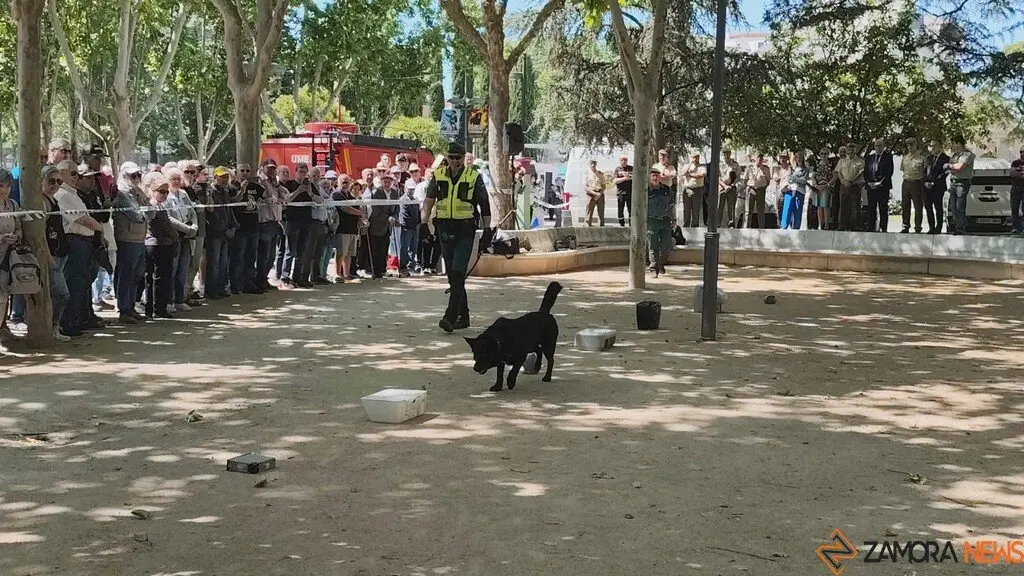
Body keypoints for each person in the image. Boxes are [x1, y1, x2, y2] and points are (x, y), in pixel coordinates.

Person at [421, 143, 491, 333]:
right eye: (451, 157)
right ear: (447, 157)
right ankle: (464, 316)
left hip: (465, 230)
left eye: (458, 157)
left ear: (464, 158)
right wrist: (423, 223)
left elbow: (484, 205)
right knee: (453, 275)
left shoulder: (473, 177)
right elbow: (428, 201)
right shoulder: (439, 175)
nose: (455, 161)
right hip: (444, 229)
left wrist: (487, 230)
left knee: (458, 272)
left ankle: (450, 316)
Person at [54, 160, 107, 337]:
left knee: (83, 284)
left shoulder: (72, 194)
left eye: (77, 174)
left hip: (85, 242)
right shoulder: (63, 195)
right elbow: (81, 218)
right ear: (61, 173)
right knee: (74, 284)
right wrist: (99, 228)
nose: (77, 178)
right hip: (75, 242)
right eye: (73, 173)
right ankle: (68, 323)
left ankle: (78, 319)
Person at [142, 172, 196, 319]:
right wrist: (176, 236)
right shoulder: (152, 206)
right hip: (156, 245)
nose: (165, 194)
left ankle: (160, 307)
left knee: (163, 278)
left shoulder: (162, 205)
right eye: (161, 191)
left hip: (166, 245)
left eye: (166, 191)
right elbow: (163, 225)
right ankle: (155, 309)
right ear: (152, 191)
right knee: (156, 279)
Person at [112, 162, 148, 324]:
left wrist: (142, 197)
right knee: (126, 275)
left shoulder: (138, 193)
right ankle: (124, 309)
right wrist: (143, 207)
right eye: (133, 176)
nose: (136, 179)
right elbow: (136, 216)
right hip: (127, 239)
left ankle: (131, 306)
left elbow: (152, 213)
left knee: (137, 275)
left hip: (140, 239)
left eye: (138, 175)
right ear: (125, 176)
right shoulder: (121, 193)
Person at [39, 166, 71, 341]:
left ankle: (54, 328)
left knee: (56, 294)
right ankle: (52, 327)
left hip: (61, 253)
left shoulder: (54, 200)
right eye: (51, 181)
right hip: (51, 255)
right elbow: (40, 233)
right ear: (42, 181)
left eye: (59, 181)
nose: (56, 185)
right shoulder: (42, 202)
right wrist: (47, 256)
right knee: (61, 293)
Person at [205, 167, 238, 299]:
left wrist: (234, 226)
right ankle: (211, 290)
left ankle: (220, 288)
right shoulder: (211, 192)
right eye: (221, 176)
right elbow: (212, 215)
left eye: (226, 177)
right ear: (215, 177)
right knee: (214, 264)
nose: (224, 179)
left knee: (223, 263)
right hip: (215, 233)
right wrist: (224, 229)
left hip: (225, 233)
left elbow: (229, 211)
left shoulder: (225, 192)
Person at [0, 169, 23, 344]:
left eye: (7, 186)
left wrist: (17, 236)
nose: (4, 190)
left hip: (7, 259)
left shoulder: (14, 205)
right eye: (1, 186)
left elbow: (19, 227)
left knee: (2, 298)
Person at [647, 167, 676, 277]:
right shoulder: (647, 190)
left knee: (667, 245)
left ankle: (660, 263)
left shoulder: (666, 189)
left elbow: (671, 205)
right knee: (653, 246)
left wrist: (674, 219)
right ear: (650, 177)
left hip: (665, 220)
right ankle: (654, 268)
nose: (655, 178)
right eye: (653, 175)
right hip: (651, 220)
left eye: (657, 175)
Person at [945, 136, 974, 236]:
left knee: (960, 206)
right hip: (953, 181)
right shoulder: (954, 155)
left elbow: (960, 166)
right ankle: (957, 226)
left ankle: (961, 228)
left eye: (953, 143)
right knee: (953, 206)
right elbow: (952, 169)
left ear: (959, 143)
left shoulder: (968, 154)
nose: (952, 146)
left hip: (963, 182)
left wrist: (951, 166)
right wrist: (953, 167)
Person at [864, 138, 894, 232]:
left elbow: (889, 172)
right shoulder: (869, 158)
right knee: (871, 208)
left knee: (883, 208)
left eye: (880, 145)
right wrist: (868, 182)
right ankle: (871, 227)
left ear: (883, 146)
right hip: (871, 186)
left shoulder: (888, 157)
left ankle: (883, 228)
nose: (878, 147)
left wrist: (880, 183)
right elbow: (865, 172)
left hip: (882, 187)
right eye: (876, 145)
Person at [834, 144, 865, 231]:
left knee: (855, 206)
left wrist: (852, 182)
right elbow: (839, 173)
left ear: (855, 150)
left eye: (852, 149)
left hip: (855, 186)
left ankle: (854, 225)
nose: (851, 151)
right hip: (844, 185)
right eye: (849, 149)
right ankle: (842, 225)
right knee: (843, 205)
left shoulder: (860, 161)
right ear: (847, 150)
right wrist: (843, 181)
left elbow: (860, 174)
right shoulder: (842, 161)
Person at [899, 138, 927, 234]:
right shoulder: (905, 158)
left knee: (918, 206)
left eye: (912, 145)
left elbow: (925, 172)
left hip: (917, 183)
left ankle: (918, 226)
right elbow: (903, 169)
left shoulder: (921, 158)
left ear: (916, 145)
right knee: (905, 205)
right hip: (906, 182)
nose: (910, 147)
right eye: (908, 145)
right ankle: (905, 226)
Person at [923, 139, 950, 234]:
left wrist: (934, 182)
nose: (932, 148)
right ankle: (931, 227)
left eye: (934, 146)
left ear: (940, 146)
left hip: (938, 187)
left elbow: (945, 173)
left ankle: (938, 228)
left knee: (938, 207)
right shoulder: (928, 158)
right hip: (927, 187)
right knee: (928, 207)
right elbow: (924, 172)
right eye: (931, 146)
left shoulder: (946, 158)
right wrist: (925, 182)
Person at [781, 152, 809, 230]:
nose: (799, 159)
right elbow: (789, 179)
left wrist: (795, 179)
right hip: (790, 190)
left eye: (800, 157)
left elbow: (804, 180)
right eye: (797, 158)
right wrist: (798, 179)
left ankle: (796, 228)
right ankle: (784, 227)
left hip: (800, 191)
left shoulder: (805, 169)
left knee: (797, 210)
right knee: (787, 208)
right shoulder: (791, 168)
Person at [744, 153, 771, 228]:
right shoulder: (750, 167)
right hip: (751, 189)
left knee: (761, 211)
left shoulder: (766, 168)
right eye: (758, 157)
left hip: (761, 190)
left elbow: (768, 181)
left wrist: (762, 187)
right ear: (755, 158)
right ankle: (746, 227)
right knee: (748, 211)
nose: (760, 159)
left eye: (761, 158)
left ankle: (762, 228)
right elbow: (745, 180)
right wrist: (750, 187)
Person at [719, 149, 740, 228]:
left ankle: (731, 225)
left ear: (730, 154)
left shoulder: (735, 165)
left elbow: (738, 177)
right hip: (721, 187)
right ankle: (717, 225)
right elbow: (717, 177)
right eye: (725, 154)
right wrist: (724, 186)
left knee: (731, 207)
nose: (726, 155)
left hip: (731, 187)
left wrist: (732, 185)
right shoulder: (719, 164)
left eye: (728, 154)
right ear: (723, 155)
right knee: (719, 206)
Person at [584, 160, 606, 227]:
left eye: (594, 163)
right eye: (591, 163)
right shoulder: (586, 174)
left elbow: (604, 186)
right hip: (591, 194)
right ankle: (587, 226)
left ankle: (601, 227)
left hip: (600, 194)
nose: (593, 165)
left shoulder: (600, 174)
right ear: (589, 164)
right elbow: (585, 187)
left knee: (601, 212)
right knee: (589, 212)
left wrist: (599, 194)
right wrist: (594, 193)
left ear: (596, 165)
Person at [613, 155, 633, 227]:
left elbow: (635, 177)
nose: (624, 161)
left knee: (631, 209)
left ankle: (631, 225)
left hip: (630, 192)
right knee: (620, 208)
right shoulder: (617, 169)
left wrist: (630, 177)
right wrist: (624, 178)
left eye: (625, 160)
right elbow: (615, 180)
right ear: (620, 160)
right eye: (622, 160)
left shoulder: (631, 168)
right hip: (621, 192)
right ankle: (622, 225)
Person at [1011, 145, 1024, 236]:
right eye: (1021, 152)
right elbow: (1013, 174)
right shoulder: (1015, 162)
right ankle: (1015, 228)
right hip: (1015, 188)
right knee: (1014, 210)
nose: (1022, 154)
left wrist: (1019, 172)